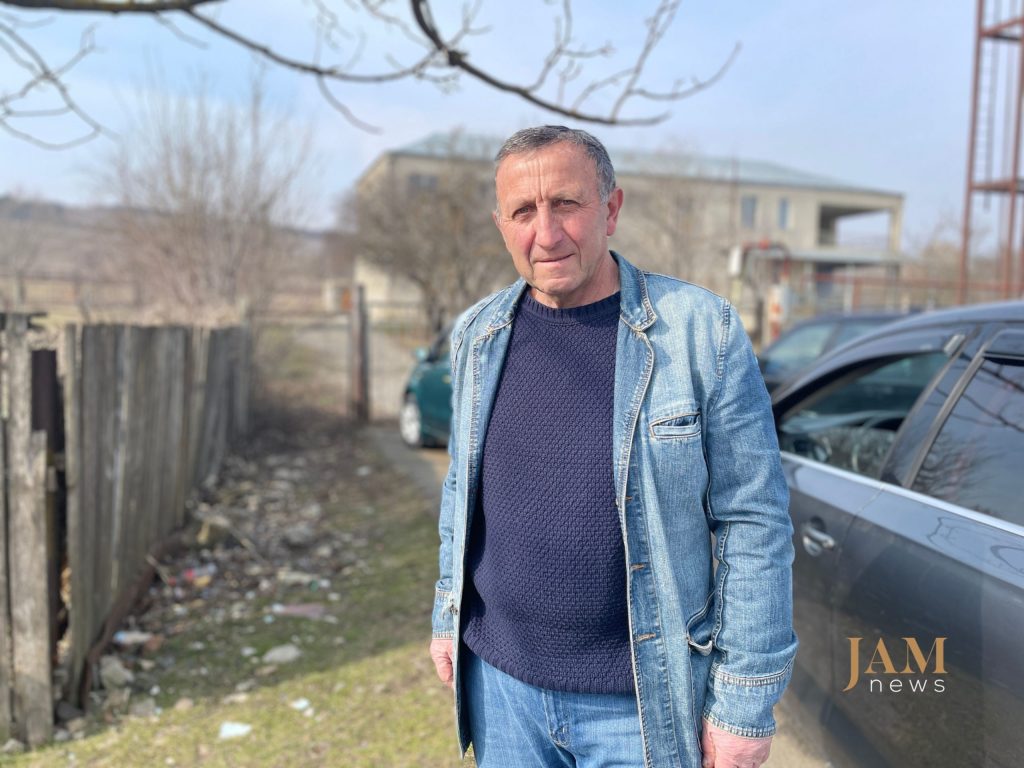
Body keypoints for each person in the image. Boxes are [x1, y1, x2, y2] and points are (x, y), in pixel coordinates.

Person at [429, 125, 797, 768]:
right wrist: (446, 613)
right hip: (502, 692)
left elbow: (753, 521)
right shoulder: (477, 335)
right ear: (501, 225)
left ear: (611, 208)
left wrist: (743, 702)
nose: (546, 234)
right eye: (523, 211)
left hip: (641, 706)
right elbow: (462, 486)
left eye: (566, 204)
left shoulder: (699, 332)